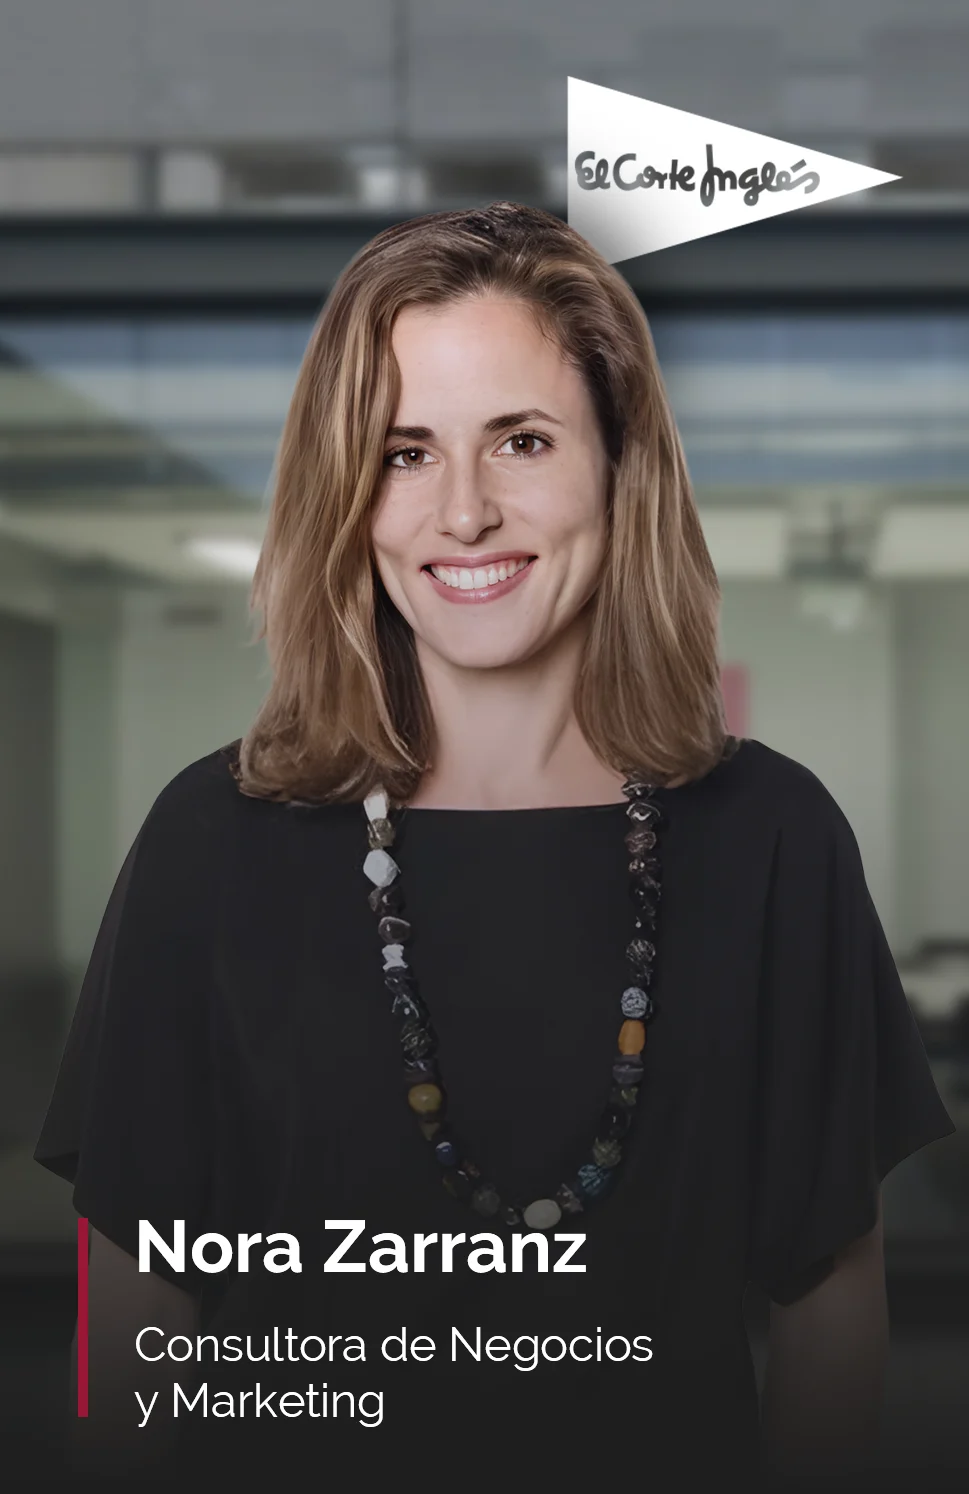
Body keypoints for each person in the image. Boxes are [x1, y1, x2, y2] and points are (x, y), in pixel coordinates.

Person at [35, 201, 954, 1490]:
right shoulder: (215, 838)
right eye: (404, 453)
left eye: (520, 440)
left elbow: (830, 1313)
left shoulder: (772, 837)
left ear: (618, 466)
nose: (462, 512)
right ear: (348, 497)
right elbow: (137, 1326)